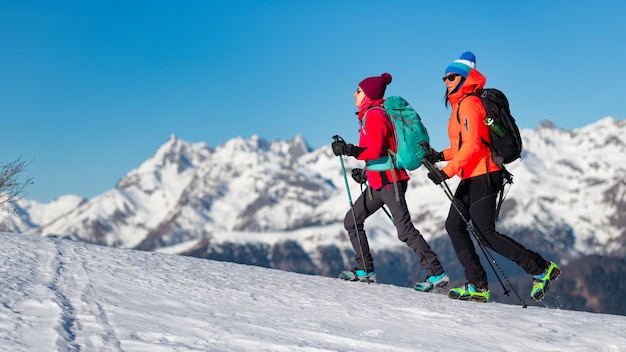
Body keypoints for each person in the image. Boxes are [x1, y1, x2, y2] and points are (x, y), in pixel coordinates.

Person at [424, 51, 560, 302]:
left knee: (486, 233)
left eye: (451, 76)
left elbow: (474, 145)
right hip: (472, 175)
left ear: (464, 78)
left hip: (486, 175)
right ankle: (477, 284)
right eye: (444, 77)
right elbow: (460, 148)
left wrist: (447, 171)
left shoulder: (469, 103)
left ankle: (541, 268)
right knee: (454, 225)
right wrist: (438, 156)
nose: (446, 81)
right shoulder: (459, 106)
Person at [331, 72, 448, 292]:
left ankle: (437, 273)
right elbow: (383, 152)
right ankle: (365, 270)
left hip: (390, 184)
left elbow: (374, 150)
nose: (354, 94)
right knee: (352, 220)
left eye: (358, 91)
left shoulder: (374, 115)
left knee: (404, 230)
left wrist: (348, 150)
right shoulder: (370, 114)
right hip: (378, 182)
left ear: (368, 95)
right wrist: (366, 174)